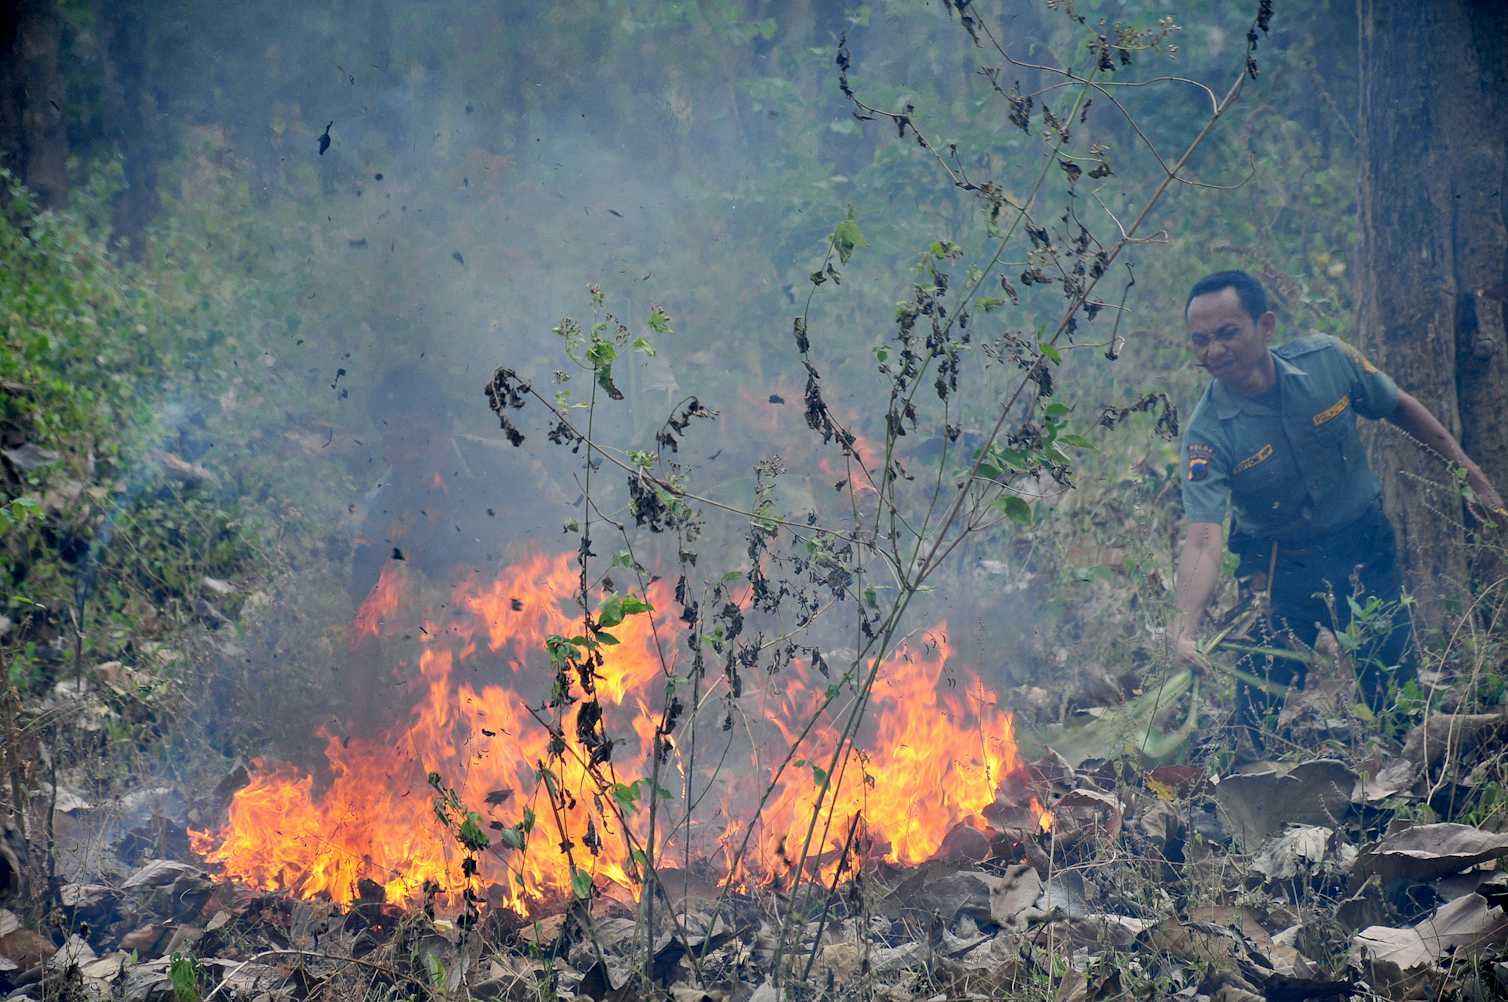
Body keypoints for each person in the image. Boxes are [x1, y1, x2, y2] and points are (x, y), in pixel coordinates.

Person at [1170, 270, 1505, 747]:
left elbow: (1397, 405)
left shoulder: (1328, 361)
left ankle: (1415, 800)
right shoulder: (1207, 435)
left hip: (1362, 549)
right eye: (1200, 341)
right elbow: (1203, 537)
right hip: (1276, 570)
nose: (1214, 352)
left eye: (1228, 333)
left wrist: (1472, 478)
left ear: (1265, 325)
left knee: (1397, 704)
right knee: (1254, 719)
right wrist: (1184, 628)